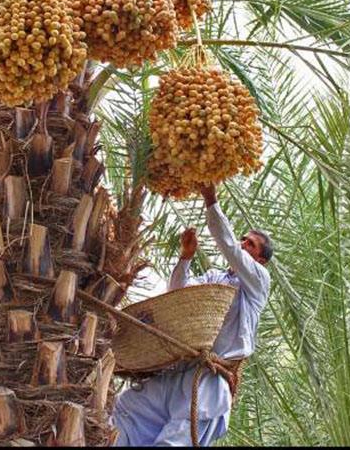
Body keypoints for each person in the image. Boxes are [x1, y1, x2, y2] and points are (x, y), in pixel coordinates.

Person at [112, 183, 273, 446]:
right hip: (178, 369)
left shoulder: (258, 284)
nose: (243, 244)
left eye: (251, 244)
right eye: (243, 239)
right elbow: (178, 296)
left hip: (208, 381)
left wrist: (211, 200)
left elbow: (230, 248)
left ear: (261, 261)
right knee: (125, 412)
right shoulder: (215, 279)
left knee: (172, 442)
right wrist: (185, 258)